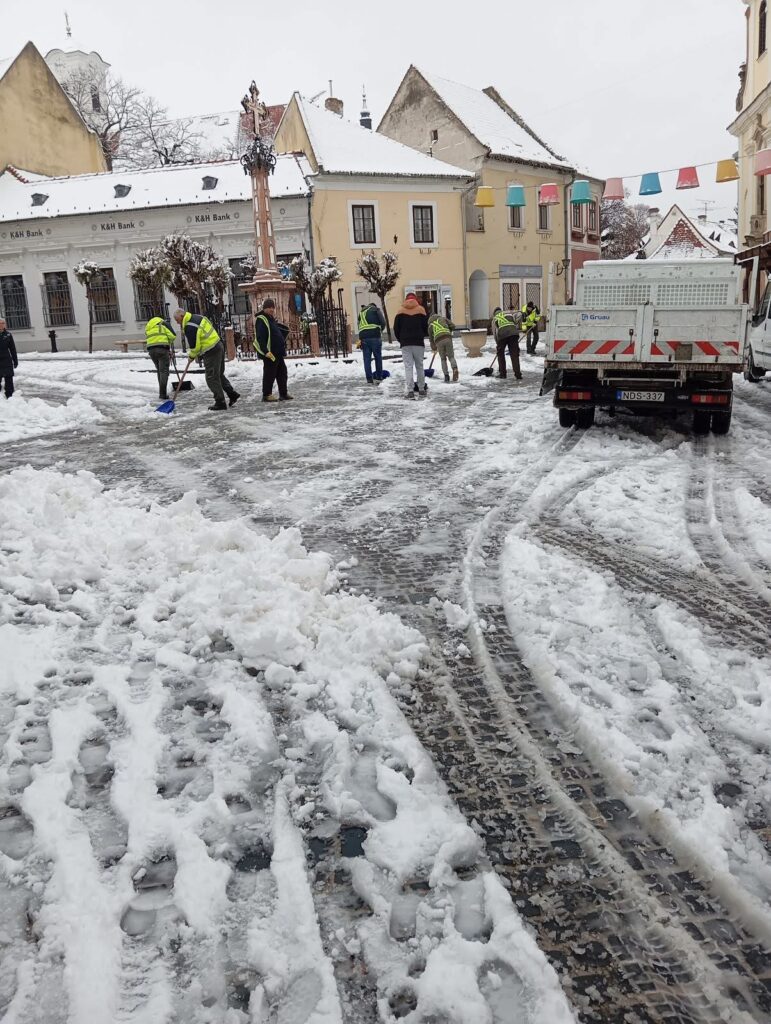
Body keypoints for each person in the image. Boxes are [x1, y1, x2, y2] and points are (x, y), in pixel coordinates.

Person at [173, 309, 239, 411]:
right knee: (218, 375)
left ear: (182, 316)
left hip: (211, 351)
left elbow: (195, 347)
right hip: (218, 345)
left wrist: (191, 356)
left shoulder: (189, 326)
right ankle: (232, 394)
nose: (177, 323)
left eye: (177, 320)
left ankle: (220, 402)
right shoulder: (198, 317)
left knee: (211, 378)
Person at [254, 298, 293, 403]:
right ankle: (266, 395)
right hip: (270, 352)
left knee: (282, 373)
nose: (271, 309)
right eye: (269, 307)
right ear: (265, 308)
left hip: (277, 352)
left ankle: (283, 393)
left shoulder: (270, 318)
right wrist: (265, 351)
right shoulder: (261, 319)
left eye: (272, 307)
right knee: (269, 373)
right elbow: (260, 337)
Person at [393, 292, 429, 398]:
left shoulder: (400, 311)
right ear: (415, 299)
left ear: (406, 300)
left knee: (408, 367)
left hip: (405, 343)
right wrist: (422, 335)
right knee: (420, 366)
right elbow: (425, 327)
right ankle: (421, 389)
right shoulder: (421, 310)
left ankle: (410, 391)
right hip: (418, 342)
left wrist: (401, 340)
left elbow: (396, 329)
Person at [144, 314, 176, 400]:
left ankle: (162, 392)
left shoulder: (148, 326)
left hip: (151, 350)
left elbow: (147, 336)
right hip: (162, 350)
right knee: (164, 371)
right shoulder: (164, 323)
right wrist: (167, 342)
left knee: (159, 371)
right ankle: (162, 394)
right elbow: (173, 336)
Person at [357, 302, 385, 383]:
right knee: (378, 358)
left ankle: (369, 379)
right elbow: (383, 322)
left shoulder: (361, 312)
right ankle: (379, 377)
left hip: (364, 338)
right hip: (375, 337)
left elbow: (359, 325)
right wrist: (380, 330)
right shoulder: (376, 309)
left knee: (367, 359)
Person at [492, 307, 523, 380]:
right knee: (514, 355)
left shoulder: (495, 318)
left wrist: (498, 345)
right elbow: (518, 316)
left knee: (501, 355)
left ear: (494, 313)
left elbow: (495, 332)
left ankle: (503, 374)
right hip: (513, 335)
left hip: (502, 335)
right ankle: (518, 375)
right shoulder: (508, 314)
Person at [427, 311, 458, 382]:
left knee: (443, 359)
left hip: (438, 341)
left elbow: (431, 339)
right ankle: (455, 368)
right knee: (451, 356)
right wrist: (448, 331)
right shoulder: (443, 319)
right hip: (447, 338)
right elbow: (453, 326)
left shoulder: (430, 326)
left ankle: (446, 376)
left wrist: (434, 348)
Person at [0, 318, 18, 398]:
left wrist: (15, 360)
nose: (2, 324)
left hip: (7, 361)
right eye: (0, 323)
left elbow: (12, 349)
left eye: (3, 323)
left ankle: (9, 397)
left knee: (9, 380)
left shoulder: (8, 335)